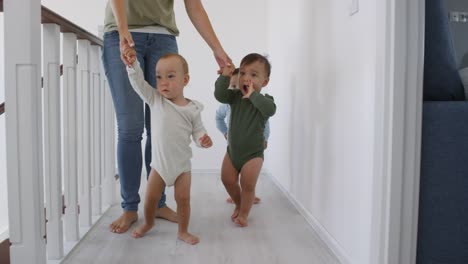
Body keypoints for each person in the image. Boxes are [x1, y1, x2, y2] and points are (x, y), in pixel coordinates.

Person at [102, 0, 231, 234]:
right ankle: (130, 208)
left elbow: (194, 6)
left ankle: (158, 203)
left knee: (160, 127)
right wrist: (123, 30)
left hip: (163, 38)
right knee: (130, 128)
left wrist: (217, 48)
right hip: (122, 32)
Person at [125, 49, 212, 244]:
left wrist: (202, 139)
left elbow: (198, 130)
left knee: (183, 200)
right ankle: (148, 223)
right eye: (159, 77)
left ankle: (183, 231)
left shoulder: (192, 109)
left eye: (170, 76)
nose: (163, 82)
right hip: (159, 166)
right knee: (149, 200)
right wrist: (132, 66)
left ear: (185, 79)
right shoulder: (156, 100)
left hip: (182, 166)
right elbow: (139, 84)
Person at [214, 53, 276, 227]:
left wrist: (253, 96)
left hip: (253, 154)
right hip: (232, 152)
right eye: (242, 73)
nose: (246, 78)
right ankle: (239, 202)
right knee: (227, 179)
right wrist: (224, 76)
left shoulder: (264, 101)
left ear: (264, 82)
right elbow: (220, 95)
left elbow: (270, 110)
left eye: (253, 75)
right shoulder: (233, 98)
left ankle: (243, 214)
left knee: (247, 184)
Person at [215, 68, 269, 204]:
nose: (236, 90)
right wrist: (225, 132)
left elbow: (265, 122)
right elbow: (218, 118)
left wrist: (265, 138)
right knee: (230, 176)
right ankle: (238, 195)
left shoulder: (257, 103)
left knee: (248, 179)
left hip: (253, 148)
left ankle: (248, 194)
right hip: (235, 147)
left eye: (238, 87)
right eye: (233, 87)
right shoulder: (227, 104)